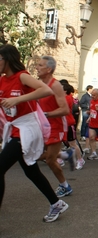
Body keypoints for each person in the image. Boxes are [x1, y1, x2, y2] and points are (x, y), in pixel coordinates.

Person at [0, 44, 68, 222]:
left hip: (26, 130)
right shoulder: (2, 80)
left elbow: (46, 90)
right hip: (13, 128)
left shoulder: (21, 76)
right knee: (31, 171)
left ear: (7, 59)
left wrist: (17, 99)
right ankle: (56, 203)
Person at [36, 56, 75, 197]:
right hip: (43, 126)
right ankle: (66, 154)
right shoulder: (39, 84)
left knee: (50, 160)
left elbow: (64, 109)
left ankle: (65, 186)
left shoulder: (55, 85)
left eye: (40, 65)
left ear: (49, 69)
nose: (37, 67)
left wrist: (44, 114)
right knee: (35, 153)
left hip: (56, 126)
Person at [62, 81, 85, 170]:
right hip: (62, 123)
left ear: (65, 90)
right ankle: (60, 157)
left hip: (69, 123)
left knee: (73, 144)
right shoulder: (63, 97)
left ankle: (80, 159)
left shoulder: (68, 98)